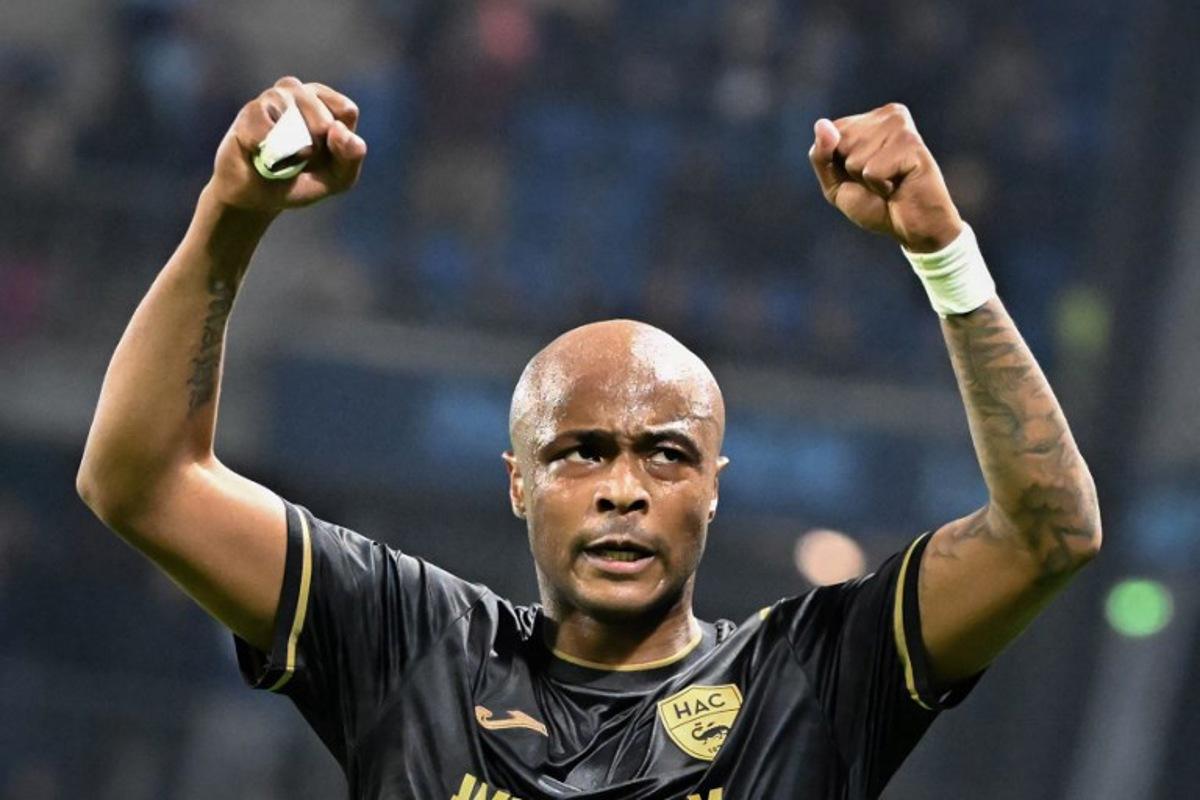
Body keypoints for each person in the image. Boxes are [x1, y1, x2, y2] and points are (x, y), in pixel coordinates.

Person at [77, 77, 1101, 799]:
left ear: (715, 485)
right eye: (581, 451)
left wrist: (945, 258)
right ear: (518, 482)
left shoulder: (813, 679)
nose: (625, 486)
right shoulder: (412, 645)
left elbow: (1051, 533)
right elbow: (139, 477)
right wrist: (229, 214)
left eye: (667, 452)